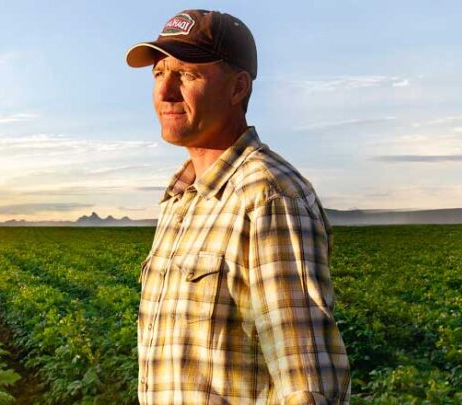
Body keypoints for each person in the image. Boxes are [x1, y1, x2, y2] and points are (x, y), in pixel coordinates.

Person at [124, 9, 349, 403]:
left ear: (237, 88)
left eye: (187, 74)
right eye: (159, 73)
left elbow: (308, 386)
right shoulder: (181, 198)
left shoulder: (268, 196)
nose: (165, 92)